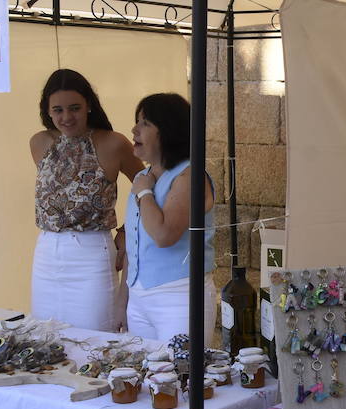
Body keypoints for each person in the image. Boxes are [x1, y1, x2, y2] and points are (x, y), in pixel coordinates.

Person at [30, 69, 142, 331]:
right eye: (57, 110)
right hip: (46, 253)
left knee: (95, 336)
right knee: (46, 336)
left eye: (74, 108)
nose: (66, 117)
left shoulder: (113, 143)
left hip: (92, 253)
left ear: (89, 105)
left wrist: (127, 232)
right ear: (47, 111)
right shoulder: (39, 142)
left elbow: (147, 185)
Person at [124, 92, 216, 342]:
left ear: (167, 131)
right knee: (145, 378)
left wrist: (144, 192)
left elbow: (164, 235)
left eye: (145, 123)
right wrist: (124, 301)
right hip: (138, 297)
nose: (134, 130)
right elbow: (133, 244)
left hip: (179, 297)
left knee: (181, 377)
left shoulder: (190, 175)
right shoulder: (143, 177)